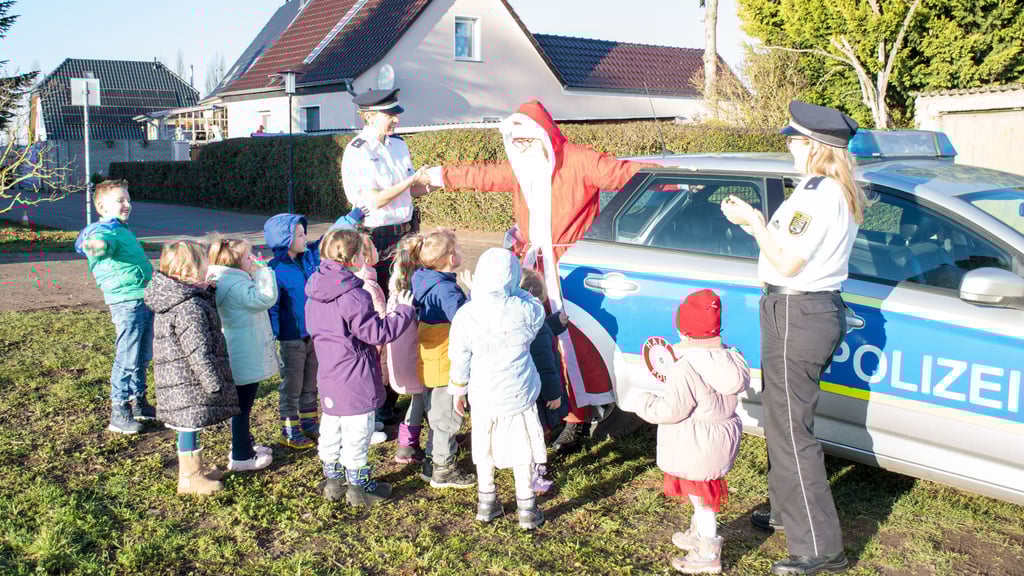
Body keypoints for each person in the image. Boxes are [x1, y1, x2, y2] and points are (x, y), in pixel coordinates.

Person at [427, 100, 657, 454]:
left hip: (570, 266)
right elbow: (484, 176)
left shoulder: (579, 159)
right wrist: (437, 176)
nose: (520, 148)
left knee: (572, 344)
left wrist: (681, 177)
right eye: (515, 142)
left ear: (543, 136)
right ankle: (546, 412)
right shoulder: (522, 168)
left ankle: (578, 417)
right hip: (532, 264)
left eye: (526, 141)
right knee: (536, 340)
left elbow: (624, 173)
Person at [720, 100, 868, 575]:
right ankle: (786, 513)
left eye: (793, 139)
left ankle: (821, 550)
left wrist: (754, 224)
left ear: (814, 146)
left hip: (795, 309)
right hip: (803, 309)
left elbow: (787, 262)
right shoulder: (826, 189)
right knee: (786, 419)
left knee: (790, 431)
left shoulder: (819, 194)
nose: (788, 146)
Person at [625, 289, 751, 574]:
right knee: (703, 495)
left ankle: (708, 552)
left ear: (683, 331)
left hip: (695, 444)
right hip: (718, 440)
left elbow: (672, 410)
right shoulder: (730, 358)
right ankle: (699, 532)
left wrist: (643, 402)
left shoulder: (684, 367)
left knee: (704, 500)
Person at [304, 228, 416, 506]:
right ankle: (358, 486)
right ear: (355, 259)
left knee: (331, 425)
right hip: (355, 374)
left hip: (329, 371)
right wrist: (402, 312)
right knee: (358, 431)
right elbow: (376, 333)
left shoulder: (315, 290)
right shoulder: (354, 295)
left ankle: (333, 479)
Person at [341, 88, 432, 424]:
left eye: (395, 114)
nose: (396, 120)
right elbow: (376, 199)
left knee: (410, 305)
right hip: (377, 237)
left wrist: (433, 181)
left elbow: (412, 190)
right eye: (389, 114)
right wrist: (411, 180)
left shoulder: (399, 145)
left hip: (406, 232)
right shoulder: (358, 151)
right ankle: (381, 397)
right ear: (368, 116)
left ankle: (407, 381)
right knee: (382, 312)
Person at [448, 248, 547, 530]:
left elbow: (459, 355)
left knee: (484, 447)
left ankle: (487, 502)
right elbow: (537, 306)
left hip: (483, 395)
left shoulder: (467, 314)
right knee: (521, 450)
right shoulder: (525, 310)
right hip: (519, 394)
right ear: (512, 279)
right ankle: (527, 507)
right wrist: (518, 290)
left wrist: (458, 390)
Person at [144, 241, 240, 496]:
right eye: (204, 267)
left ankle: (195, 470)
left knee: (189, 426)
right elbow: (197, 350)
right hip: (188, 381)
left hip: (178, 379)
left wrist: (207, 290)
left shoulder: (177, 297)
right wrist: (212, 382)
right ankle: (189, 477)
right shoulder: (189, 307)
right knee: (188, 427)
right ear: (189, 273)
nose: (208, 270)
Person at [76, 179, 155, 435]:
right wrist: (96, 247)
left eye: (127, 199)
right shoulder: (104, 230)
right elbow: (99, 242)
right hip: (126, 303)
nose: (127, 204)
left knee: (142, 355)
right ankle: (119, 410)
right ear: (101, 206)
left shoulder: (121, 229)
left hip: (142, 299)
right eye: (120, 200)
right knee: (127, 357)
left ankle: (138, 402)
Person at [400, 230, 477, 489]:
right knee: (447, 419)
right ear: (451, 257)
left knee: (436, 415)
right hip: (445, 362)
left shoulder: (422, 278)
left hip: (430, 358)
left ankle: (432, 461)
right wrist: (473, 297)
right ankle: (444, 470)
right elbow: (463, 322)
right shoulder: (446, 290)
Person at [206, 236, 278, 473]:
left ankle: (245, 444)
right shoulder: (236, 286)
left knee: (241, 405)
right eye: (248, 257)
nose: (252, 260)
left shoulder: (222, 281)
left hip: (237, 352)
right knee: (241, 407)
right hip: (244, 354)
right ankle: (241, 455)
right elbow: (265, 298)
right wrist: (265, 271)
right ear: (235, 262)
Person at [263, 214, 323, 449]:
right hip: (291, 339)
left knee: (310, 382)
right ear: (285, 238)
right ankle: (289, 429)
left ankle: (309, 423)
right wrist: (274, 335)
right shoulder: (275, 269)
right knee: (292, 385)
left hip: (313, 335)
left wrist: (353, 218)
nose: (305, 238)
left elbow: (332, 237)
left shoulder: (308, 258)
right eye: (299, 235)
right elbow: (273, 306)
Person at [519, 268, 569, 493]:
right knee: (534, 432)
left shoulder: (523, 318)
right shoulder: (537, 326)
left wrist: (556, 323)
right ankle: (534, 472)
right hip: (539, 393)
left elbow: (543, 329)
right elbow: (546, 366)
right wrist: (554, 394)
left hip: (523, 388)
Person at [387, 235, 427, 464]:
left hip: (401, 356)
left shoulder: (397, 290)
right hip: (414, 358)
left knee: (420, 398)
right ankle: (407, 445)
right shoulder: (416, 294)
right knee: (420, 399)